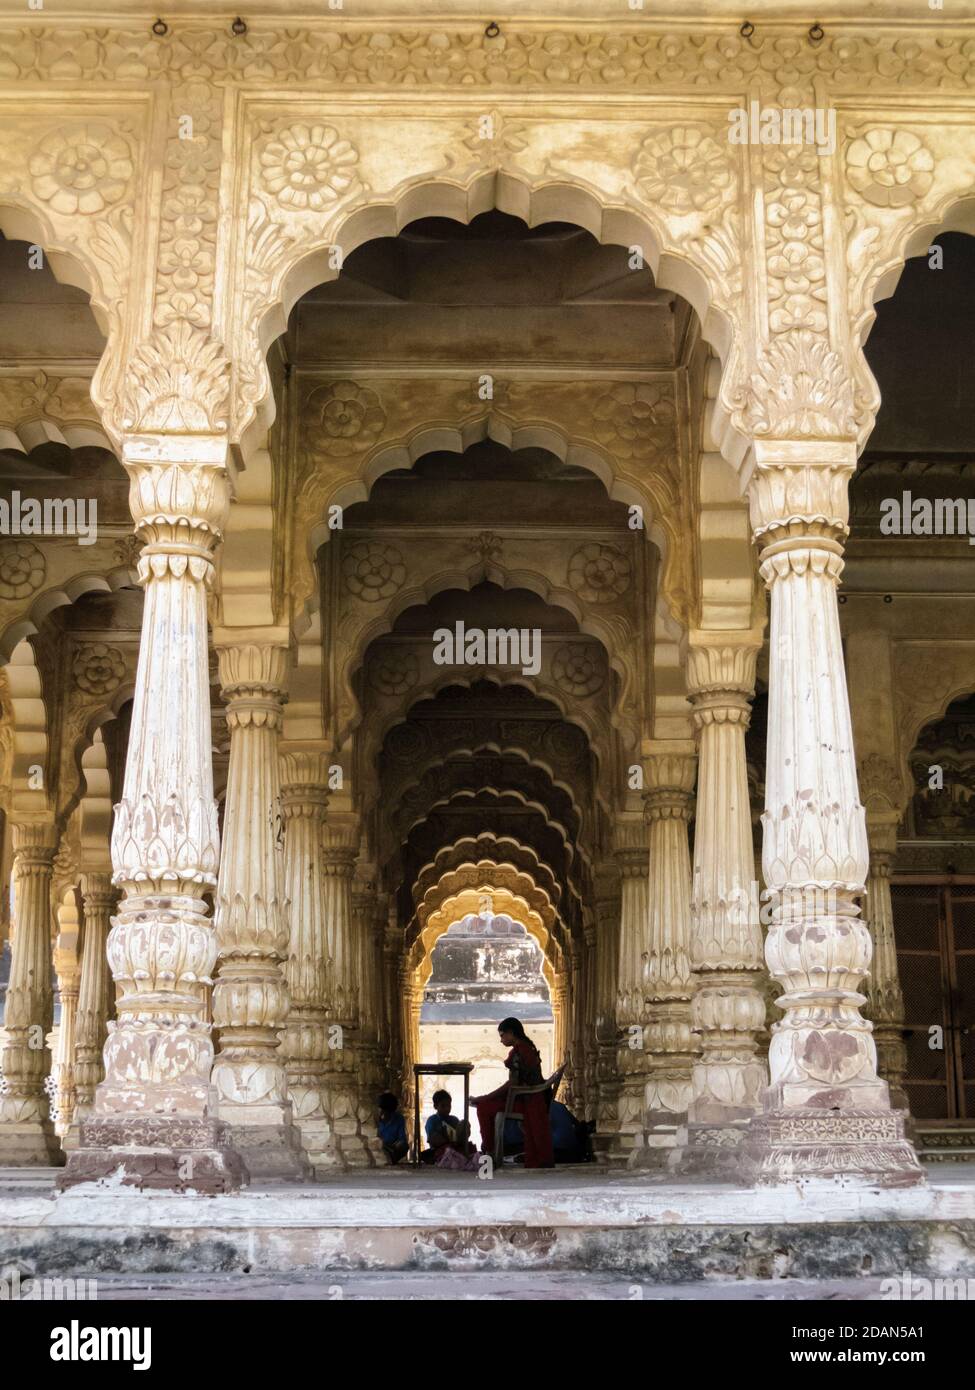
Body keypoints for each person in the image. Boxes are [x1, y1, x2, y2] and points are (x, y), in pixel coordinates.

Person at [471, 1017, 554, 1168]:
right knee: (485, 1104)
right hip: (530, 1098)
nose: (501, 1040)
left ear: (511, 1033)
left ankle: (489, 1153)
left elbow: (513, 1084)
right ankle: (490, 1152)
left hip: (527, 1101)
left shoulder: (520, 1051)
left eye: (502, 1035)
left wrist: (485, 1097)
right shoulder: (527, 1047)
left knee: (483, 1107)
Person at [376, 1091, 408, 1165]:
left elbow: (402, 1139)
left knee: (404, 1146)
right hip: (379, 1147)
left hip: (392, 1148)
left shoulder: (399, 1118)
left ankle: (390, 1160)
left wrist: (396, 1146)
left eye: (387, 1112)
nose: (383, 1113)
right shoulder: (375, 1119)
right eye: (382, 1110)